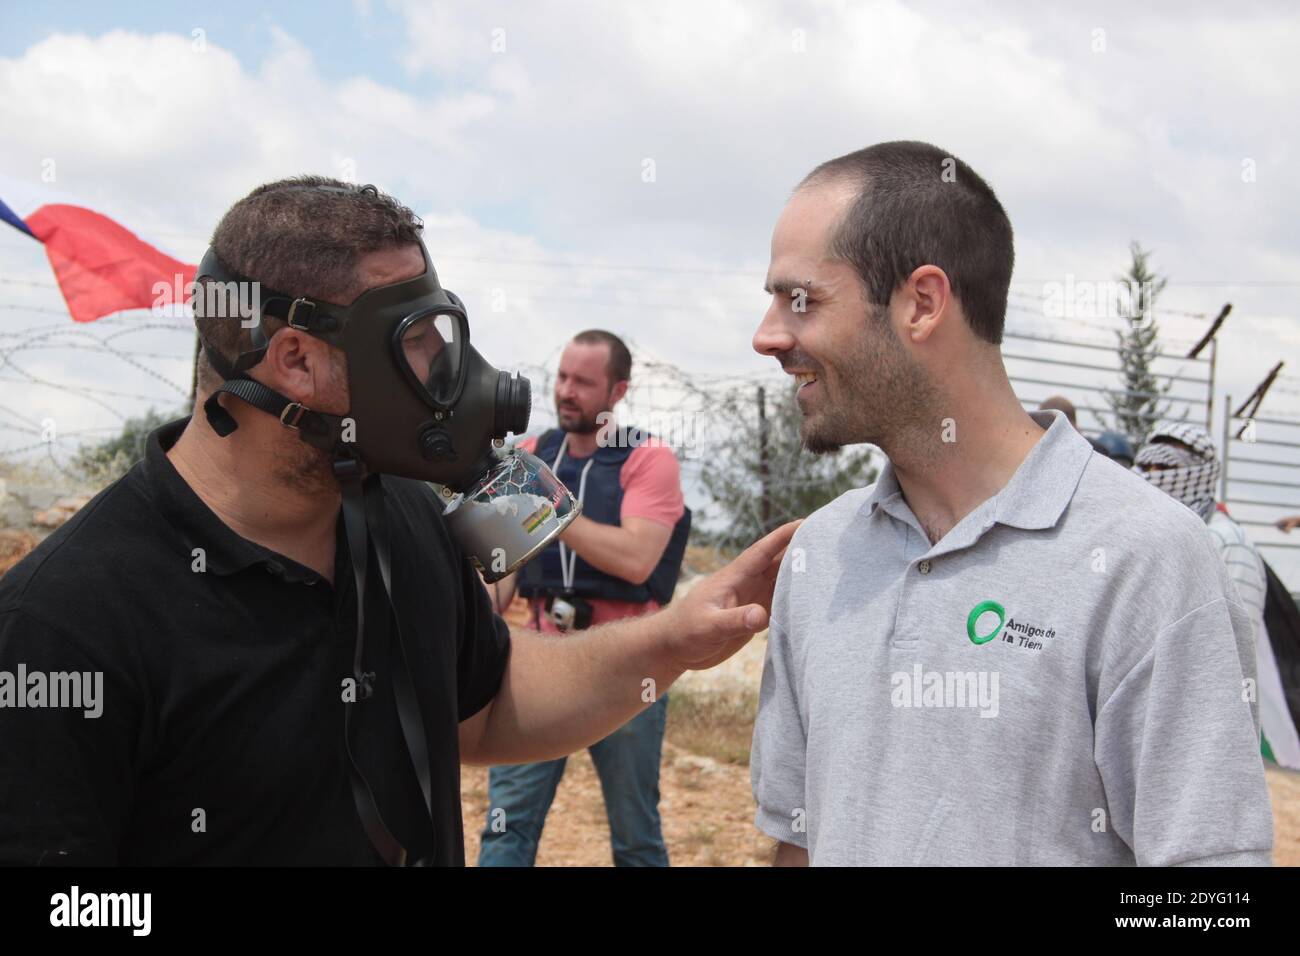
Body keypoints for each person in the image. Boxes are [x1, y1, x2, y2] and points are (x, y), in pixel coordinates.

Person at [0, 177, 795, 866]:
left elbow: (484, 706)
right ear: (297, 361)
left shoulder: (404, 517)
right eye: (416, 346)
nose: (453, 377)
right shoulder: (65, 623)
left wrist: (672, 642)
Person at [749, 141, 1273, 866]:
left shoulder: (1146, 560)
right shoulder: (821, 554)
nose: (768, 335)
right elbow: (799, 841)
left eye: (800, 299)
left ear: (922, 304)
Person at [477, 330, 687, 867]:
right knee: (507, 828)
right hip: (540, 655)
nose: (566, 392)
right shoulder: (532, 453)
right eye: (562, 378)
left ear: (618, 390)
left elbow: (637, 558)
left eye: (584, 383)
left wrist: (549, 509)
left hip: (626, 661)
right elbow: (503, 570)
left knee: (636, 832)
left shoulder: (647, 458)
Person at [1135, 420, 1300, 768]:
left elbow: (1234, 651)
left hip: (1198, 731)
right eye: (1147, 467)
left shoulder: (1229, 543)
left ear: (1200, 473)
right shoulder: (1143, 539)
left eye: (1165, 468)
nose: (1153, 476)